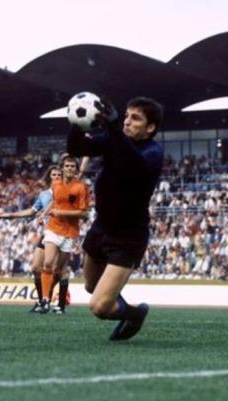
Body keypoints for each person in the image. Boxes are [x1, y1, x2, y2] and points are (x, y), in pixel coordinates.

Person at [67, 96, 164, 340]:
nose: (127, 121)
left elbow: (133, 163)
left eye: (136, 118)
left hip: (128, 235)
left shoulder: (153, 152)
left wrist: (112, 129)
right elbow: (77, 149)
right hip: (101, 227)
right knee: (91, 286)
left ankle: (135, 314)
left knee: (100, 307)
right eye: (126, 116)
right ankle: (121, 305)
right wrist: (77, 124)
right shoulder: (115, 139)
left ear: (150, 127)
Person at [0, 165, 62, 312]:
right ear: (49, 177)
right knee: (35, 268)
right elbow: (32, 211)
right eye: (54, 175)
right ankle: (42, 301)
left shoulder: (65, 192)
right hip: (47, 233)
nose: (57, 177)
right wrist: (13, 215)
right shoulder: (44, 194)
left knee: (54, 270)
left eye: (59, 175)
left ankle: (50, 301)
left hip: (60, 233)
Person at [38, 154, 89, 314]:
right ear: (62, 168)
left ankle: (56, 301)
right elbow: (55, 201)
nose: (69, 168)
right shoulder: (56, 184)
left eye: (72, 166)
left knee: (59, 270)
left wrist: (61, 212)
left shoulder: (81, 187)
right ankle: (44, 300)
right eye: (67, 166)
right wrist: (44, 213)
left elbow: (84, 214)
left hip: (69, 233)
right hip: (53, 228)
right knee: (47, 263)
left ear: (76, 169)